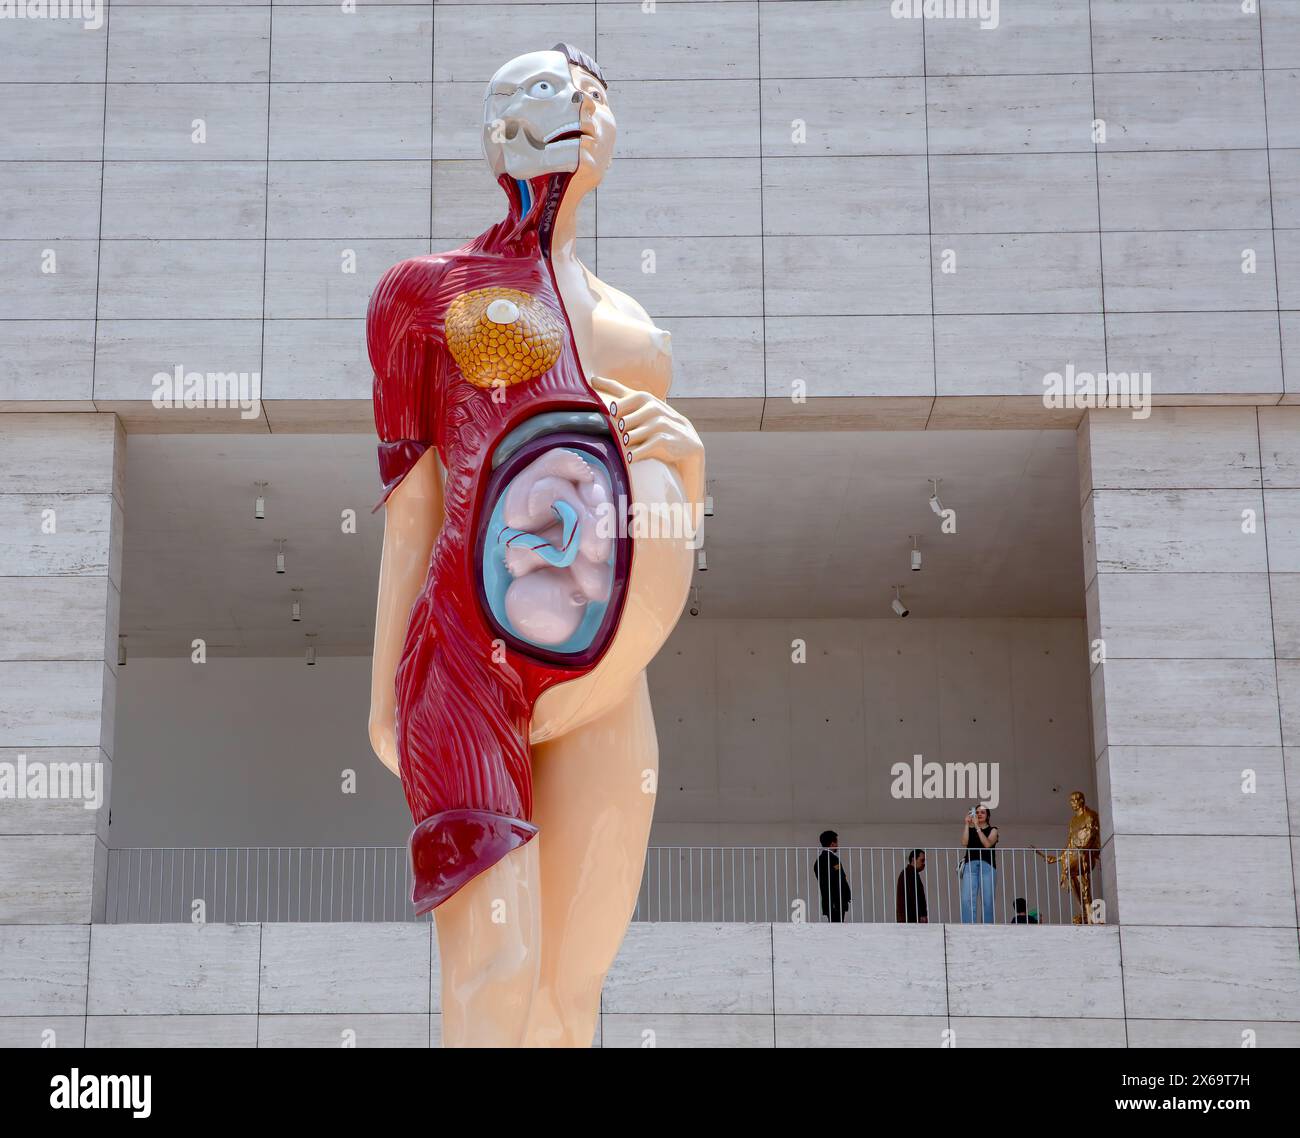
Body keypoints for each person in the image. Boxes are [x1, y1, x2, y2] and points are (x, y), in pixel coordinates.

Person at [368, 44, 704, 1048]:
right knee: (496, 971)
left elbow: (648, 515)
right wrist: (384, 686)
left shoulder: (639, 335)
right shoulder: (425, 298)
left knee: (571, 987)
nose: (583, 109)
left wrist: (691, 467)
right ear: (497, 134)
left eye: (596, 95)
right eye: (557, 94)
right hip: (466, 663)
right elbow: (414, 509)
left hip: (611, 672)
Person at [959, 804, 998, 924]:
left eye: (982, 812)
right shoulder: (970, 829)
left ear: (987, 816)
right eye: (977, 812)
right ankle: (968, 925)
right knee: (966, 898)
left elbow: (987, 844)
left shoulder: (993, 830)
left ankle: (987, 926)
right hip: (970, 864)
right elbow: (964, 842)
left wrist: (976, 826)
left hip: (987, 865)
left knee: (987, 900)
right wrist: (967, 824)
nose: (979, 814)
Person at [813, 830, 852, 922]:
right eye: (836, 842)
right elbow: (834, 880)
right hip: (835, 901)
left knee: (835, 926)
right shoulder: (831, 859)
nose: (837, 845)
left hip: (832, 901)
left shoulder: (820, 860)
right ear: (832, 844)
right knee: (837, 927)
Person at [895, 849, 928, 923]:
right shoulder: (909, 873)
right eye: (922, 860)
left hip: (909, 918)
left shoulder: (909, 873)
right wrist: (922, 915)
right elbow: (915, 895)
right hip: (911, 919)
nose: (923, 864)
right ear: (913, 859)